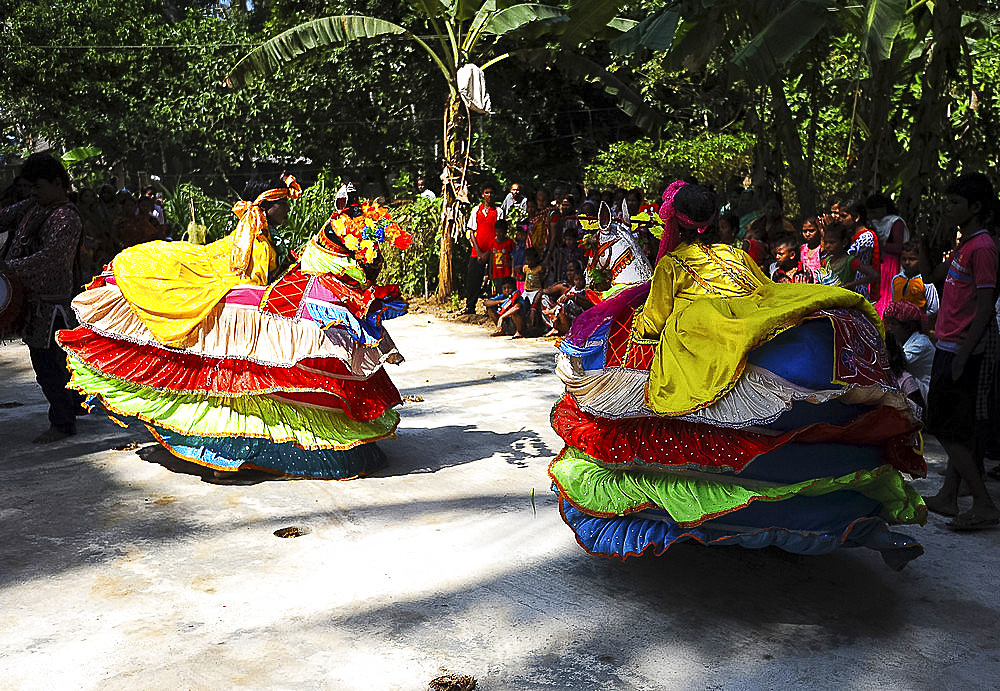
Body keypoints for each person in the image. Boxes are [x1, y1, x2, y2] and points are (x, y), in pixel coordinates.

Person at [550, 179, 926, 568]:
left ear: (675, 224)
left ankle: (691, 510)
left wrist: (636, 331)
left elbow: (652, 321)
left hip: (710, 336)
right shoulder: (737, 254)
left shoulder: (673, 264)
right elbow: (762, 290)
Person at [58, 181, 412, 480]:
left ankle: (235, 452)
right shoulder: (256, 233)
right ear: (269, 205)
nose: (287, 210)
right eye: (283, 205)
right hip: (239, 290)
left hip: (294, 282)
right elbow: (247, 277)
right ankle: (228, 454)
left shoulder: (290, 229)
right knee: (238, 369)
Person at [922, 173, 1000, 530]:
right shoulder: (965, 244)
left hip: (960, 349)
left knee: (946, 428)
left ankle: (982, 502)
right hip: (947, 343)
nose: (948, 208)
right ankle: (949, 496)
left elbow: (985, 306)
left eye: (955, 203)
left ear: (976, 208)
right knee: (955, 425)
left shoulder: (983, 248)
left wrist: (965, 355)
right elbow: (935, 275)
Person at [0, 153, 84, 443]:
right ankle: (71, 409)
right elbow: (2, 218)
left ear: (58, 183)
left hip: (53, 304)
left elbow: (52, 258)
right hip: (33, 300)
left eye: (39, 187)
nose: (34, 193)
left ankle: (63, 422)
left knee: (49, 365)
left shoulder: (66, 216)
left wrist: (8, 267)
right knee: (55, 363)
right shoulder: (35, 205)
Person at [883, 299, 934, 401]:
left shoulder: (920, 343)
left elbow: (895, 363)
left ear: (908, 326)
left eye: (893, 324)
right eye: (887, 323)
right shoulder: (901, 341)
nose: (888, 328)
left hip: (925, 394)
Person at [867, 193, 909, 316]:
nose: (872, 215)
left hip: (890, 266)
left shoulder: (895, 222)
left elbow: (898, 246)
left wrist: (878, 245)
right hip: (876, 265)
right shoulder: (872, 222)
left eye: (874, 212)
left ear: (884, 208)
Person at [460, 184, 497, 315]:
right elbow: (471, 232)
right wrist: (480, 252)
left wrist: (488, 253)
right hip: (477, 251)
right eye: (487, 192)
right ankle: (470, 306)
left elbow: (499, 234)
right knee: (473, 279)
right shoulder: (476, 210)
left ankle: (492, 308)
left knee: (493, 280)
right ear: (482, 194)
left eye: (491, 193)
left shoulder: (498, 211)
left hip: (494, 252)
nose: (489, 195)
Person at [821, 221, 880, 290]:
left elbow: (874, 275)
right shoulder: (827, 261)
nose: (827, 246)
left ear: (844, 242)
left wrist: (850, 285)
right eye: (825, 242)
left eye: (832, 242)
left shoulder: (850, 261)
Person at [892, 240, 939, 318]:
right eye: (904, 259)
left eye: (912, 259)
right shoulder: (896, 279)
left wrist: (920, 318)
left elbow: (934, 309)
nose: (907, 262)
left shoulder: (926, 282)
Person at [490, 220, 514, 294]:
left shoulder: (509, 243)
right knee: (498, 291)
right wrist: (490, 272)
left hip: (507, 273)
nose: (499, 234)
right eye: (497, 232)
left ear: (505, 231)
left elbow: (513, 258)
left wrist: (512, 272)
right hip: (496, 273)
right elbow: (491, 258)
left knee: (507, 292)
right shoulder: (493, 243)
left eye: (501, 232)